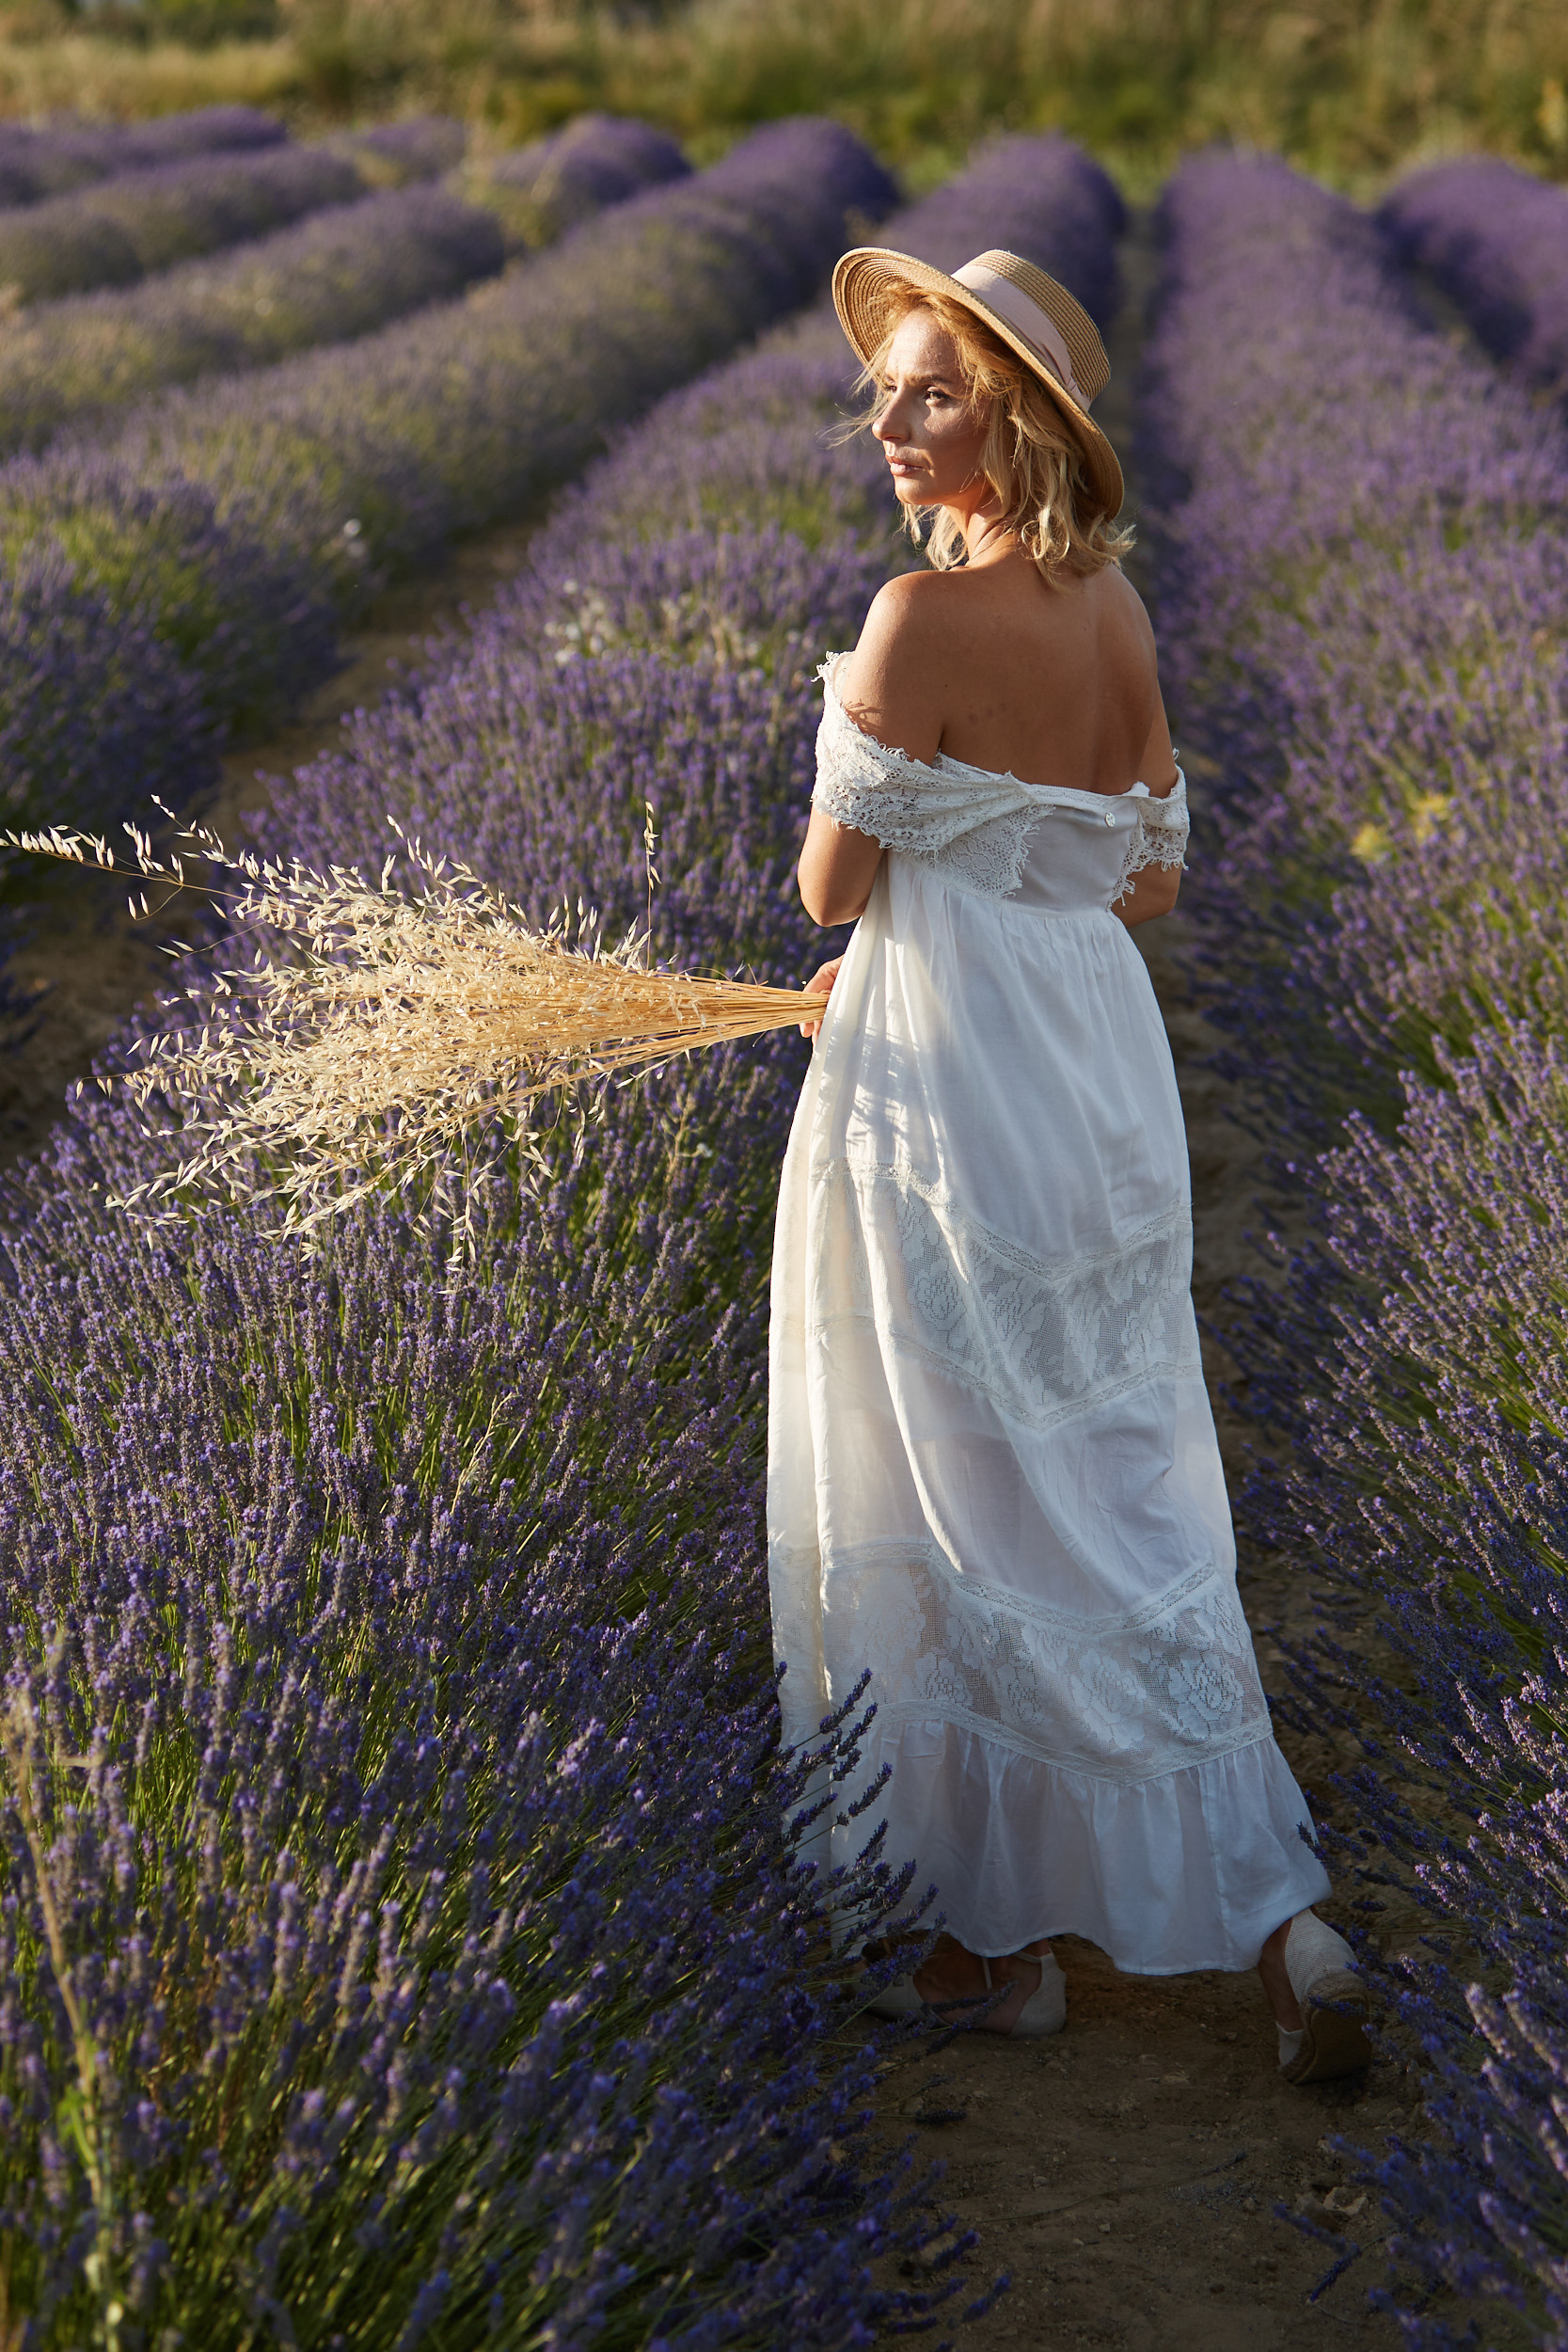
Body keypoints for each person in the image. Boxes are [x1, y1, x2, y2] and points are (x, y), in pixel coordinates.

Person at [766, 245, 1370, 2080]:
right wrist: (1017, 867)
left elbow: (829, 886)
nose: (889, 419)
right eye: (888, 389)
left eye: (931, 391)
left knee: (960, 1477)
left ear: (1012, 420)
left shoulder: (911, 622)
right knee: (1121, 1478)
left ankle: (989, 1943)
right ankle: (1284, 1920)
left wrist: (920, 907)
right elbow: (1156, 872)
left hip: (952, 1072)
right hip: (1099, 1069)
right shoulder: (1118, 621)